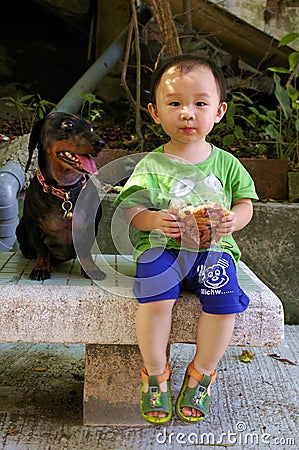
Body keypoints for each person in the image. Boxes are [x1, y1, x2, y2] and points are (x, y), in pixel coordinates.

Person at [114, 54, 258, 424]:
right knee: (156, 296)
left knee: (224, 301)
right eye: (175, 103)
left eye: (200, 103)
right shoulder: (151, 165)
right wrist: (154, 220)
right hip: (163, 250)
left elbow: (246, 204)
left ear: (219, 111)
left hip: (212, 251)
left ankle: (202, 372)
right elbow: (131, 209)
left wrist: (232, 221)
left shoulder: (226, 163)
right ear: (155, 111)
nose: (187, 113)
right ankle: (155, 372)